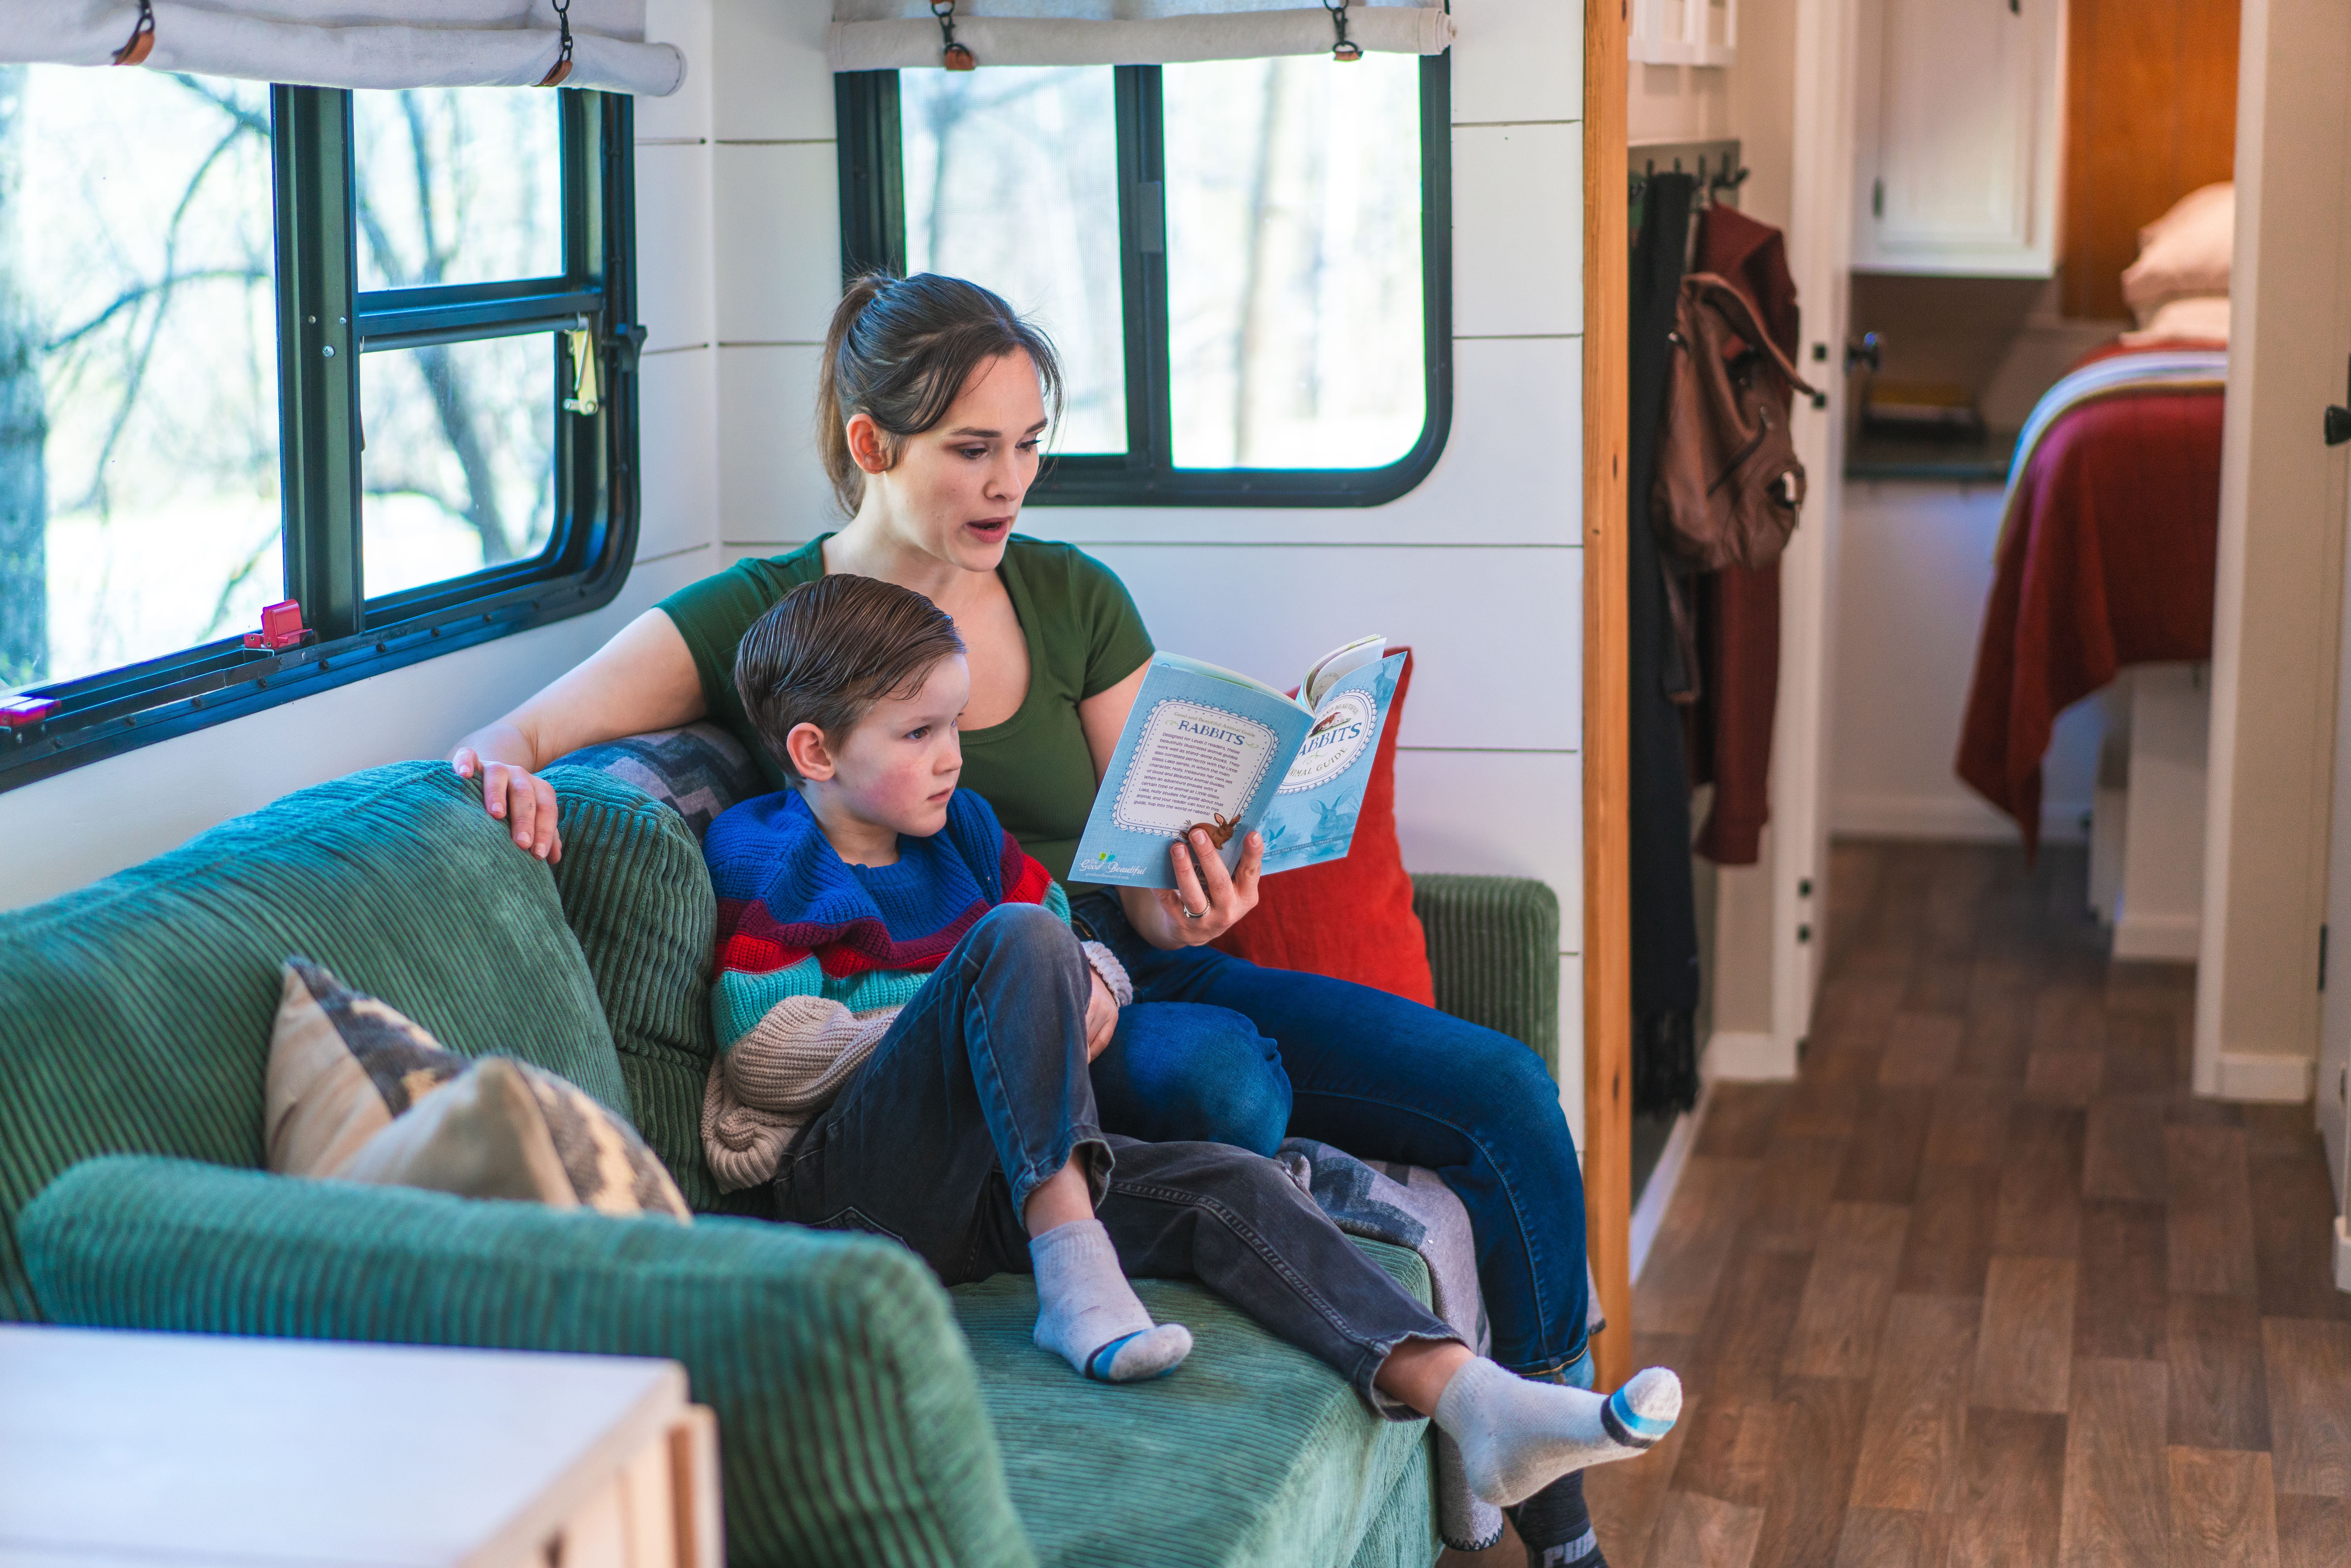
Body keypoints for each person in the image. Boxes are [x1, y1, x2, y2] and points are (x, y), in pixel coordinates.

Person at [452, 273, 1610, 1561]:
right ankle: (1108, 1212)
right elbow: (538, 721)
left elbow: (1145, 865)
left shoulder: (1069, 598)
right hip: (971, 1013)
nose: (1010, 483)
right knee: (1226, 1097)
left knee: (1500, 1087)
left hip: (1126, 966)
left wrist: (1194, 910)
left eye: (1027, 446)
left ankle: (1552, 1490)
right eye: (972, 451)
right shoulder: (778, 621)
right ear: (869, 447)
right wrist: (503, 759)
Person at [692, 570, 1678, 1508]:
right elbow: (770, 1052)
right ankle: (1074, 1267)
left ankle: (1477, 1401)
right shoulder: (772, 853)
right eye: (919, 732)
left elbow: (1080, 947)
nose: (951, 754)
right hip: (857, 1193)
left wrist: (1094, 990)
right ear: (816, 753)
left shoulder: (962, 827)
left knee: (1230, 1182)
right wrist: (979, 1016)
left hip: (987, 1182)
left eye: (955, 723)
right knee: (1018, 939)